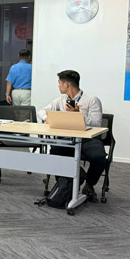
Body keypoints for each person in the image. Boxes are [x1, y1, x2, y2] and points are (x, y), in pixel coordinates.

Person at [37, 70, 106, 202]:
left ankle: (89, 184)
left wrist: (79, 115)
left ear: (66, 84)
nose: (58, 86)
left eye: (59, 83)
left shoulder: (92, 100)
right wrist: (46, 118)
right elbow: (41, 111)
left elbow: (97, 123)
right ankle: (65, 184)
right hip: (68, 138)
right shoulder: (61, 100)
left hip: (89, 138)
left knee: (99, 157)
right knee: (55, 152)